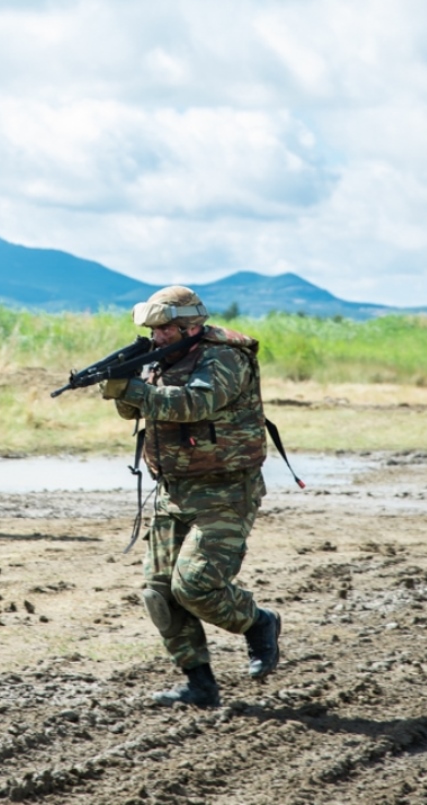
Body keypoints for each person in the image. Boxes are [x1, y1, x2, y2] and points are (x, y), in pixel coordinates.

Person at [99, 286, 280, 707]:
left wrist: (128, 389)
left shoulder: (224, 356)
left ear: (190, 326)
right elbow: (134, 410)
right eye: (153, 329)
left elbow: (195, 404)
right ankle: (200, 684)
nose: (156, 336)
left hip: (225, 489)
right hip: (173, 490)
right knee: (159, 592)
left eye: (163, 329)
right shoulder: (163, 357)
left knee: (196, 586)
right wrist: (119, 379)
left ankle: (258, 622)